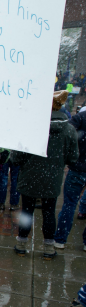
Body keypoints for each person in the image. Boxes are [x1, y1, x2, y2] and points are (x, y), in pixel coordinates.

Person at [12, 91, 79, 259]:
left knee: (27, 212)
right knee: (49, 212)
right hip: (53, 177)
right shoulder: (69, 130)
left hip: (30, 176)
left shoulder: (31, 127)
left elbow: (16, 157)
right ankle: (49, 248)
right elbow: (73, 158)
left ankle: (21, 244)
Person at [54, 106, 86, 251]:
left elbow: (67, 132)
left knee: (69, 205)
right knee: (69, 205)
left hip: (77, 168)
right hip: (77, 167)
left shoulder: (80, 118)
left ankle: (60, 240)